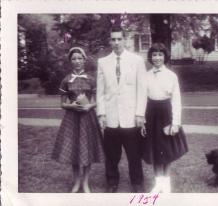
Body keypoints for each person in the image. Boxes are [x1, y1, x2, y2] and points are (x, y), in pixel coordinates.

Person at [96, 26, 147, 193]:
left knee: (134, 154)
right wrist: (101, 113)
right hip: (111, 117)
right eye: (113, 39)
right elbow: (100, 91)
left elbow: (142, 89)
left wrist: (140, 113)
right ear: (109, 41)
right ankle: (112, 181)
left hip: (131, 117)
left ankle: (137, 182)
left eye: (119, 39)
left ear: (125, 40)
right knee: (111, 155)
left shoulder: (137, 60)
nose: (116, 42)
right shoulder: (102, 62)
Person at [52, 47, 104, 193]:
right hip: (72, 119)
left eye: (80, 58)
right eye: (74, 59)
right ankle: (76, 182)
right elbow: (62, 104)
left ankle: (86, 182)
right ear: (70, 61)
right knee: (74, 151)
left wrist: (90, 107)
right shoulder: (66, 80)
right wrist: (71, 105)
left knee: (87, 150)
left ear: (84, 60)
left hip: (88, 118)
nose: (77, 61)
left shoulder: (91, 79)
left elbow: (97, 101)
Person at [141, 43, 188, 193]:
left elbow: (176, 101)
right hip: (151, 113)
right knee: (155, 150)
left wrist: (175, 123)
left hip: (166, 113)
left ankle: (166, 184)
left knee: (166, 150)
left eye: (160, 55)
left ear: (165, 57)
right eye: (154, 55)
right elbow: (142, 99)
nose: (157, 58)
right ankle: (158, 183)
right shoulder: (146, 75)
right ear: (151, 57)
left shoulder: (171, 76)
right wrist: (142, 120)